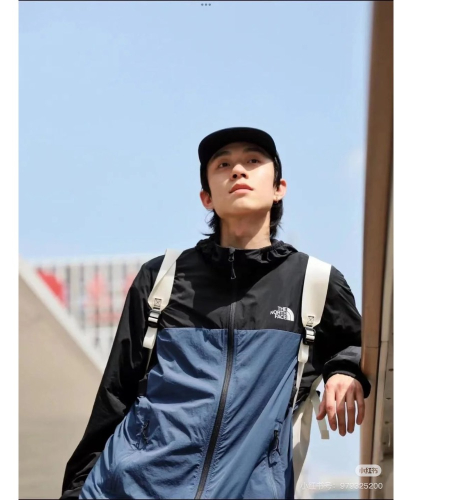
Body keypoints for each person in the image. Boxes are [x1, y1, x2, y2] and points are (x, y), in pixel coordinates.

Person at [60, 126, 371, 499]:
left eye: (252, 160)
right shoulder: (162, 278)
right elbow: (115, 393)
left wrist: (344, 369)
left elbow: (358, 343)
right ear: (206, 197)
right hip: (130, 488)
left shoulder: (314, 283)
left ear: (279, 188)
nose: (238, 170)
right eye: (223, 164)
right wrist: (75, 491)